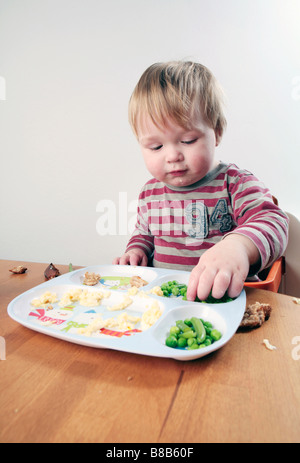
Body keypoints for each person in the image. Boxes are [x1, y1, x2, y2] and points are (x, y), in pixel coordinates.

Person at [113, 61, 289, 302]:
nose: (173, 155)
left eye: (187, 140)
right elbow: (144, 232)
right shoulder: (150, 192)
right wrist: (136, 251)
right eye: (156, 146)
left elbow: (274, 220)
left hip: (227, 301)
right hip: (164, 301)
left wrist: (238, 246)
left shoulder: (233, 183)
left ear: (216, 132)